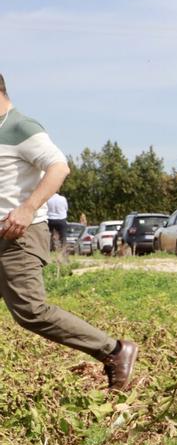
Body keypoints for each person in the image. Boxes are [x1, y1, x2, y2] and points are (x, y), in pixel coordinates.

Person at [0, 73, 139, 390]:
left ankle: (115, 351)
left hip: (20, 236)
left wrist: (28, 207)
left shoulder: (21, 127)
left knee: (31, 311)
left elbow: (59, 167)